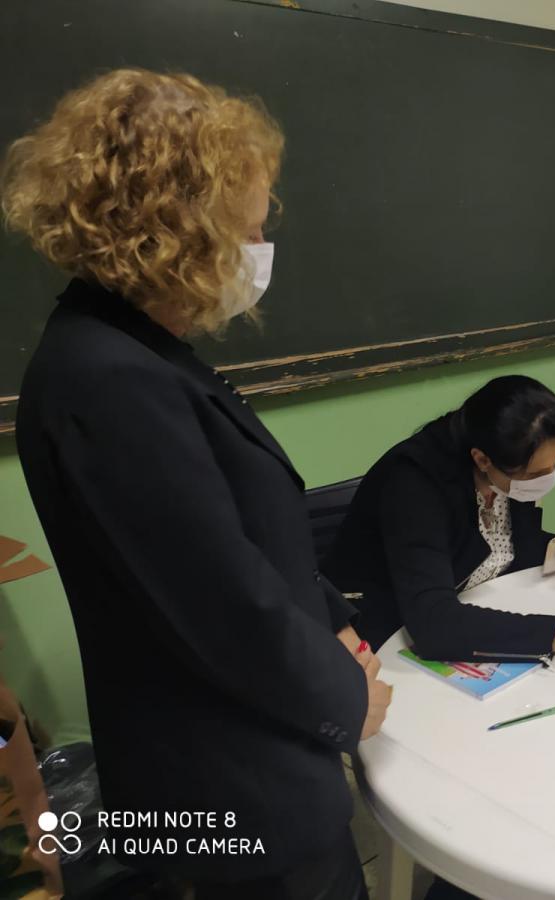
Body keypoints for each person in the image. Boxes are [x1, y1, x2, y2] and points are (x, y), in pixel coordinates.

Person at [3, 69, 392, 899]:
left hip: (240, 764)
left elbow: (240, 530)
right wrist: (344, 696)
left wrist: (335, 621)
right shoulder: (107, 379)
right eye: (247, 227)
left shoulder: (133, 349)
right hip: (229, 793)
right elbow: (219, 601)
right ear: (174, 229)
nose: (259, 245)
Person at [323, 375, 555, 658]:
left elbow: (505, 546)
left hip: (467, 607)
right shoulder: (414, 484)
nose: (548, 478)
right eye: (536, 473)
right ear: (482, 460)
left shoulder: (505, 465)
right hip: (382, 637)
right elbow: (434, 624)